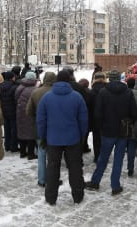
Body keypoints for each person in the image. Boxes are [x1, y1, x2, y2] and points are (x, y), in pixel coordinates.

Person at [37, 70, 88, 205]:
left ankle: (50, 197)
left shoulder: (47, 98)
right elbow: (83, 119)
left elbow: (41, 120)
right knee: (75, 168)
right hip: (73, 139)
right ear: (69, 80)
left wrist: (43, 137)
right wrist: (82, 135)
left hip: (53, 139)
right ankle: (78, 195)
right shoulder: (77, 97)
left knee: (52, 168)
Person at [85, 70, 137, 196]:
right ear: (120, 78)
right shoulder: (128, 92)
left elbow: (98, 114)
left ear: (109, 78)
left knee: (103, 158)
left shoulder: (103, 92)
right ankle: (115, 185)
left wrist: (102, 126)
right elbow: (134, 113)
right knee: (118, 159)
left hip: (107, 131)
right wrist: (128, 122)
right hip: (122, 131)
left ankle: (95, 181)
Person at [26, 71, 56, 187]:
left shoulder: (36, 92)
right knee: (53, 156)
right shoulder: (56, 92)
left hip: (39, 128)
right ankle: (52, 179)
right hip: (54, 129)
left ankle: (42, 179)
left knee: (41, 154)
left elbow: (28, 111)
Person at [15, 71, 39, 160]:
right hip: (30, 113)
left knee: (22, 132)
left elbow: (16, 98)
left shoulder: (20, 87)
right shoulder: (35, 89)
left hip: (20, 112)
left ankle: (22, 152)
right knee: (31, 133)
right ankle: (31, 154)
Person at [90, 71, 107, 163]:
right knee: (105, 138)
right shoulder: (107, 90)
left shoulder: (92, 91)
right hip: (106, 118)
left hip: (95, 118)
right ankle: (104, 156)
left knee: (96, 138)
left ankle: (97, 156)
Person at [0, 71, 19, 152]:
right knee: (14, 129)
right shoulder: (14, 87)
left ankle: (7, 145)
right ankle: (13, 146)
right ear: (12, 77)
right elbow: (15, 100)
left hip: (4, 109)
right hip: (13, 110)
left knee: (6, 128)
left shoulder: (0, 86)